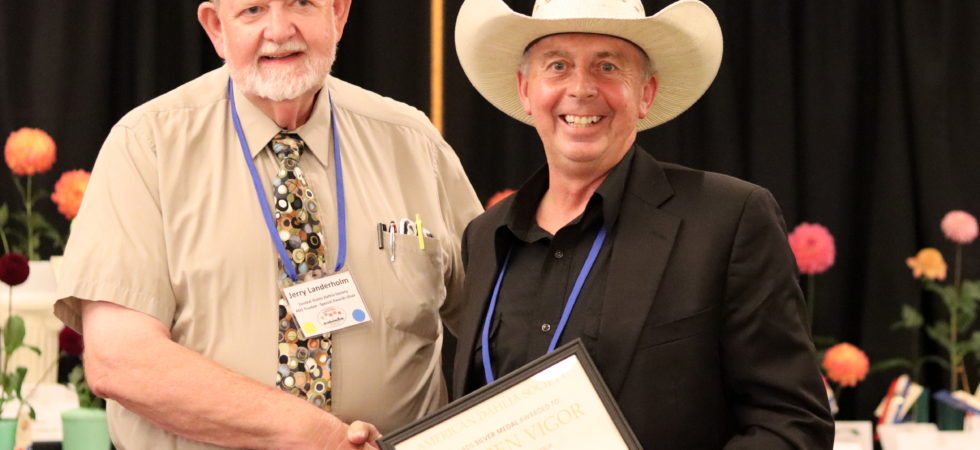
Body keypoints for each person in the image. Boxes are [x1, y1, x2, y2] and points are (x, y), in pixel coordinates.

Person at [53, 0, 481, 448]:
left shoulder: (413, 143)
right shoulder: (147, 147)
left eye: (302, 3)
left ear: (337, 13)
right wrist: (315, 436)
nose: (278, 30)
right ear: (216, 27)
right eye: (253, 10)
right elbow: (121, 359)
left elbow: (499, 326)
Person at [450, 0, 834, 448]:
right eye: (558, 66)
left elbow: (793, 425)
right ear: (525, 90)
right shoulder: (485, 236)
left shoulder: (729, 219)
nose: (581, 88)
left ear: (646, 94)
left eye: (607, 67)